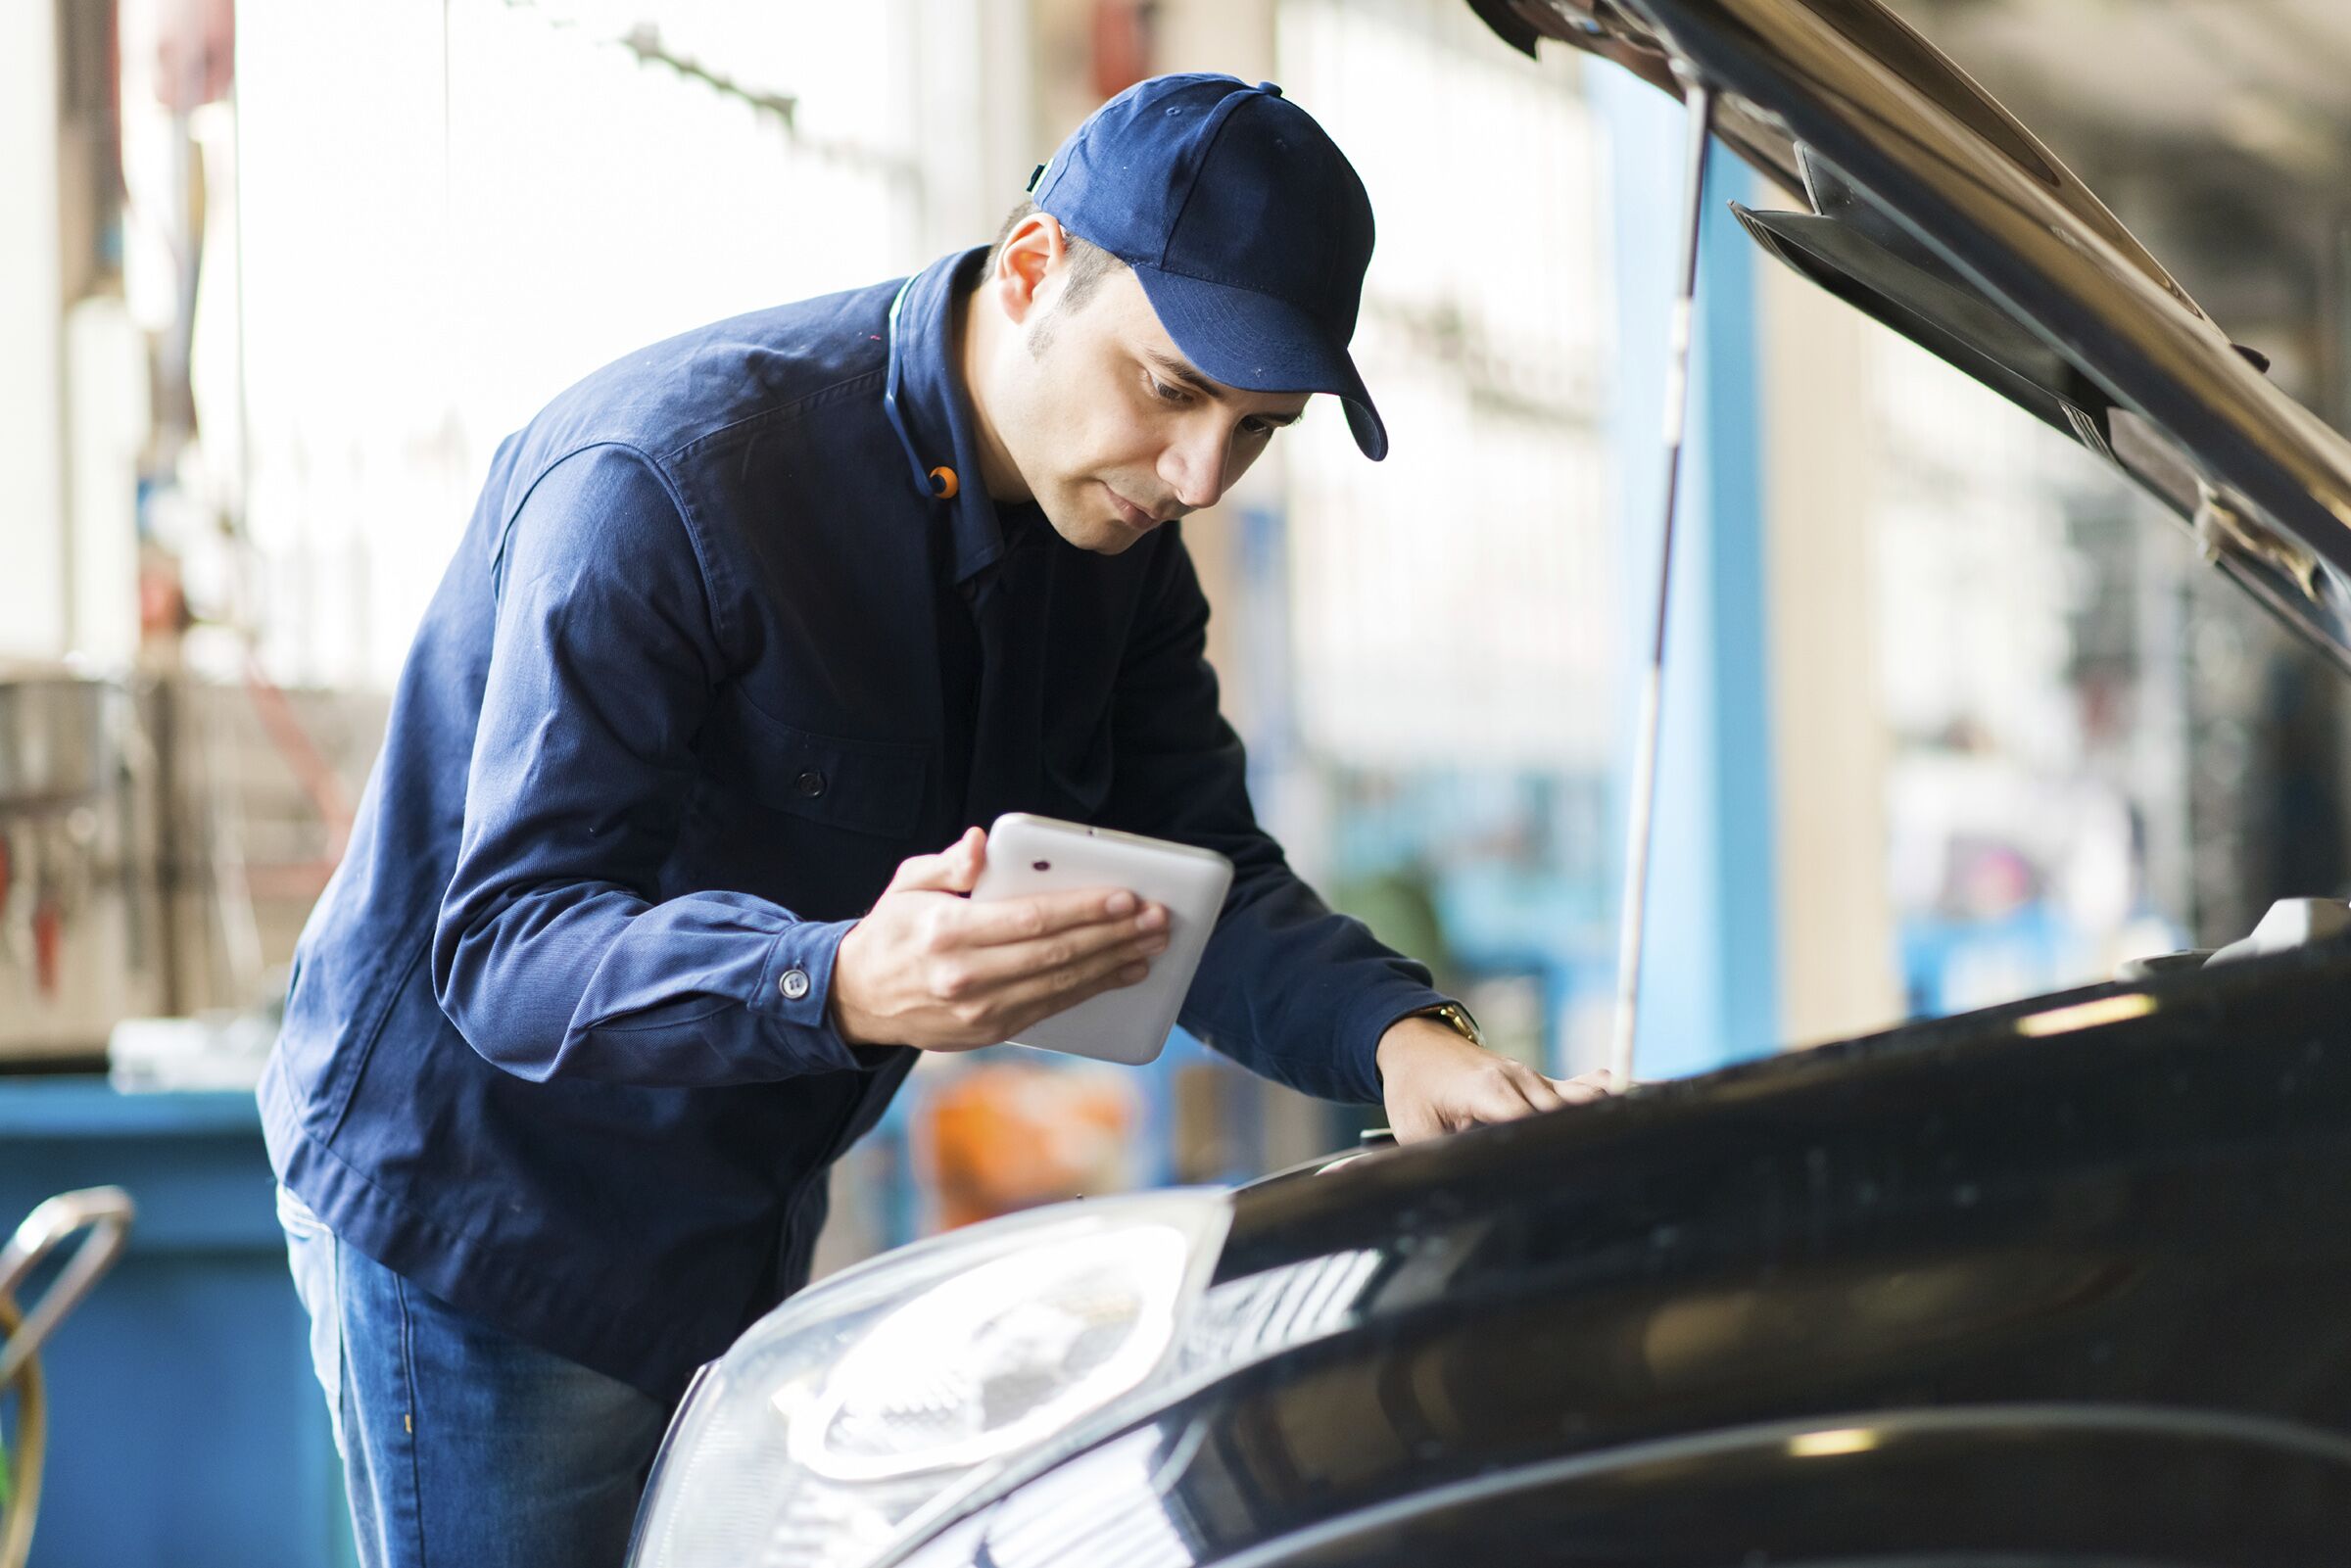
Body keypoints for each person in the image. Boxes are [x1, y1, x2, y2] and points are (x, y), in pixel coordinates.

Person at [261, 72, 1614, 1568]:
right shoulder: (669, 486)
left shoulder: (1118, 543)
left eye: (1258, 429)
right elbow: (512, 947)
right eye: (1172, 389)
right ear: (1033, 267)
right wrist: (838, 980)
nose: (1198, 475)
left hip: (733, 1206)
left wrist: (1403, 1042)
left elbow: (1200, 877)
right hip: (492, 1205)